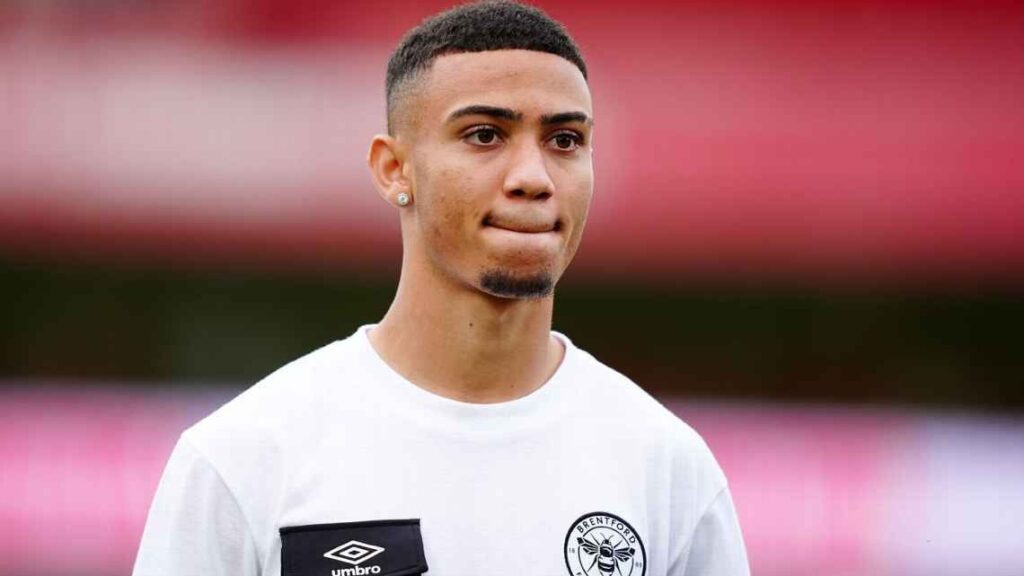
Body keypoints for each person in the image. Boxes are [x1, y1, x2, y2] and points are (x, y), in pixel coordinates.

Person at [132, 2, 749, 575]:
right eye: (485, 135)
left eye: (565, 141)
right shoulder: (245, 459)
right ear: (393, 169)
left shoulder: (668, 470)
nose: (533, 177)